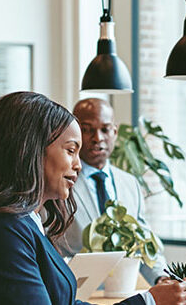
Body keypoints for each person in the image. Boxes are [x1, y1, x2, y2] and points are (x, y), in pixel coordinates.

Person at [0, 91, 186, 305]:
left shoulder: (26, 222)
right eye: (71, 150)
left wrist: (148, 299)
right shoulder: (5, 229)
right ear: (31, 150)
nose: (78, 165)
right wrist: (148, 302)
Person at [54, 98, 168, 284]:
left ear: (114, 132)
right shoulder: (59, 183)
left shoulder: (130, 183)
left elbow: (144, 241)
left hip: (124, 292)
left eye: (105, 129)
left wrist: (162, 278)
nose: (97, 138)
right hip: (76, 293)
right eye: (87, 129)